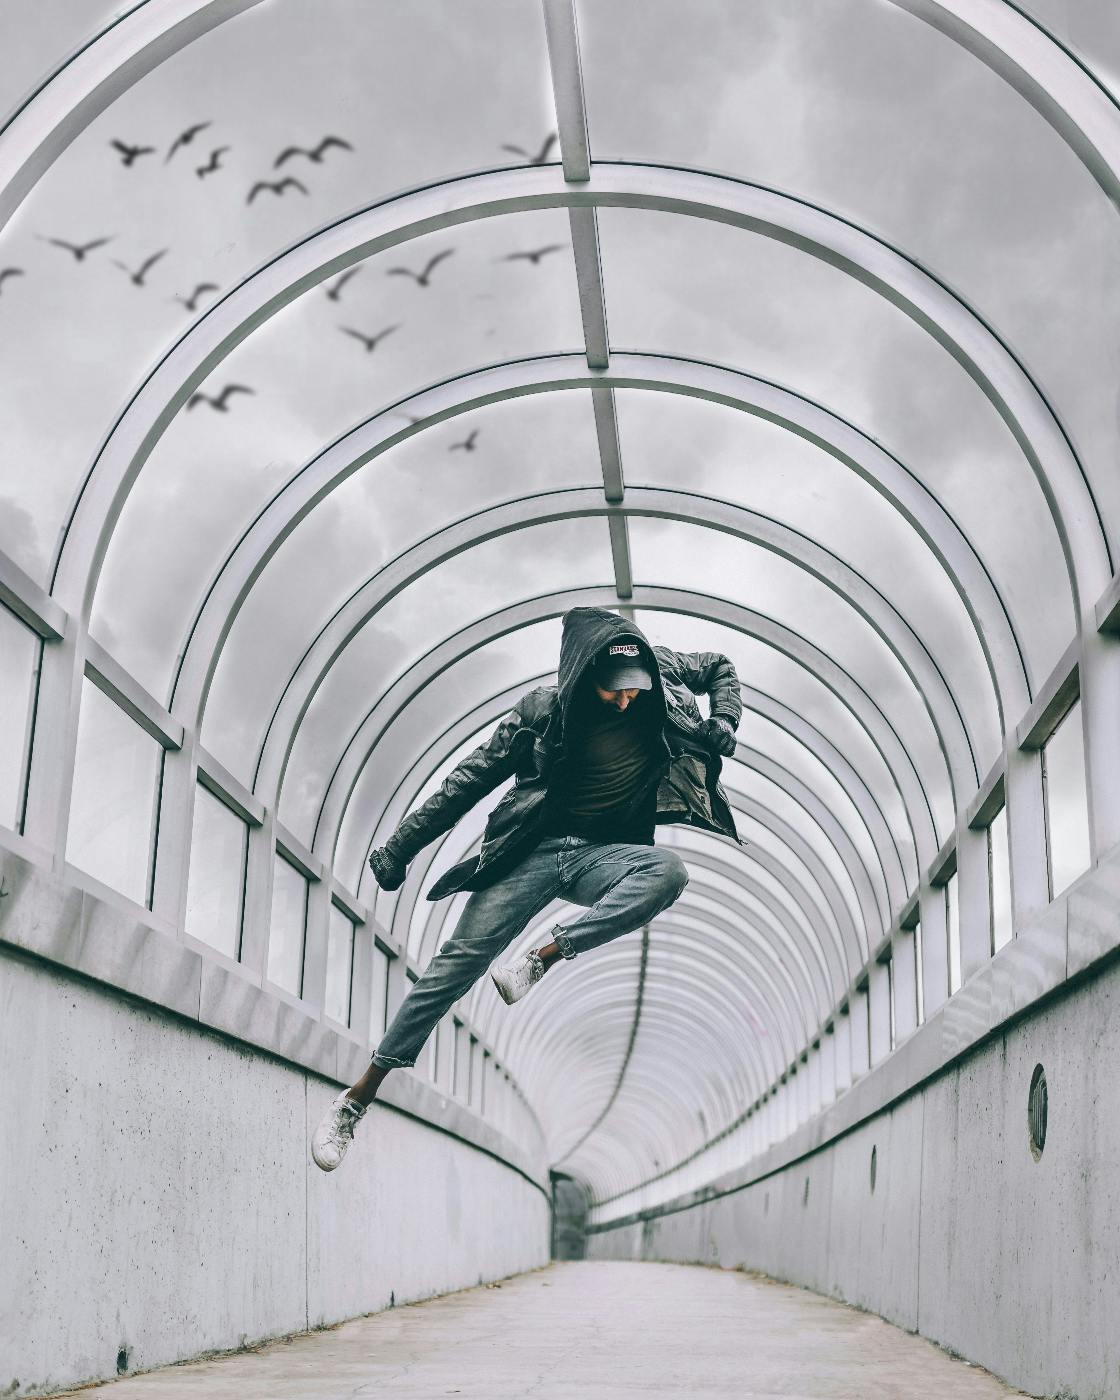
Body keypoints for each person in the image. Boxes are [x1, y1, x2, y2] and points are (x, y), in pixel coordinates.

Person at [311, 606, 742, 1170]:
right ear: (581, 673)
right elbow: (466, 781)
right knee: (452, 969)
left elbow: (719, 668)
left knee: (668, 872)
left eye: (633, 689)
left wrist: (725, 719)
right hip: (529, 856)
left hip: (600, 858)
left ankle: (544, 957)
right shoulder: (540, 713)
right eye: (612, 690)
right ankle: (358, 1096)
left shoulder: (658, 680)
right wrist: (399, 849)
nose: (625, 700)